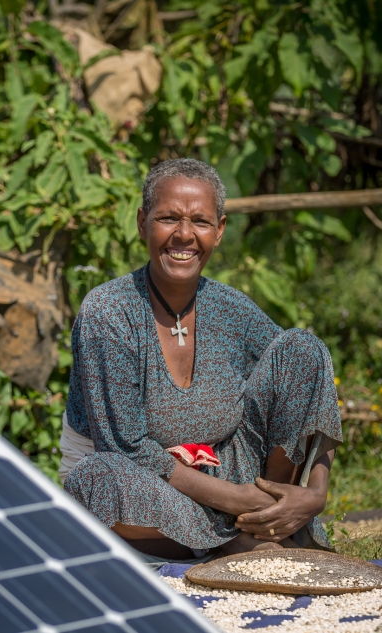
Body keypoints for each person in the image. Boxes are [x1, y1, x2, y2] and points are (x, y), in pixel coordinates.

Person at [62, 158, 342, 560]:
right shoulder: (109, 312)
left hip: (230, 476)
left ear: (220, 230)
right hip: (143, 488)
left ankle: (273, 516)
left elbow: (308, 383)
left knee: (304, 349)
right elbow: (124, 449)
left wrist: (314, 495)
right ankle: (241, 540)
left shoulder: (230, 309)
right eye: (168, 218)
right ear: (142, 223)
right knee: (100, 481)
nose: (184, 235)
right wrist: (236, 500)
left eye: (200, 222)